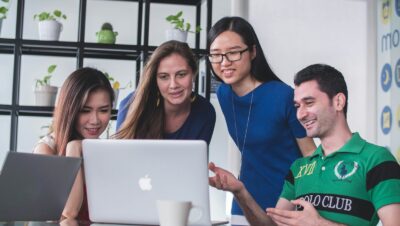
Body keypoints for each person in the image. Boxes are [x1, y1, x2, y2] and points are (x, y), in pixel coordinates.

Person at [209, 64, 400, 226]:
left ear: (339, 101)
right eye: (297, 106)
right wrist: (240, 191)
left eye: (309, 102)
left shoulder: (377, 160)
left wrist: (320, 224)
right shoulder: (299, 168)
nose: (300, 114)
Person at [207, 16, 316, 220]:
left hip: (287, 204)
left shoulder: (283, 96)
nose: (224, 62)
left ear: (253, 52)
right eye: (216, 55)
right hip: (245, 202)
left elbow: (311, 156)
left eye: (234, 53)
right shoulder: (224, 94)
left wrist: (304, 206)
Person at [34, 67, 114, 220]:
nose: (95, 120)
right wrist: (74, 149)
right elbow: (69, 212)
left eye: (103, 110)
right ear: (70, 110)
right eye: (85, 110)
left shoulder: (103, 150)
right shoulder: (46, 149)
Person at [115, 40, 216, 144]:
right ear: (155, 79)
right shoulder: (130, 106)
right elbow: (120, 157)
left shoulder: (205, 112)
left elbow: (196, 159)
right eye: (164, 77)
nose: (173, 85)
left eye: (181, 74)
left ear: (193, 73)